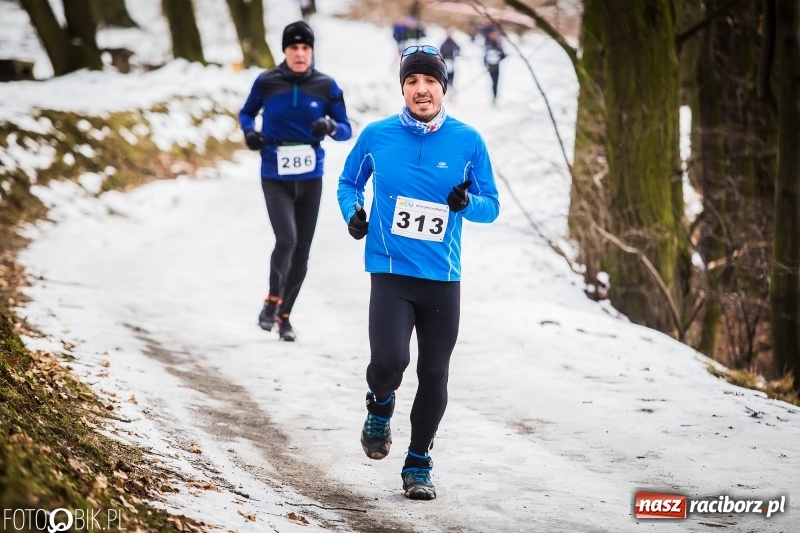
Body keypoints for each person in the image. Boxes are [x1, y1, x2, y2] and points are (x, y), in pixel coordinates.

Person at [337, 45, 500, 500]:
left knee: (435, 375)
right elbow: (349, 181)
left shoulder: (468, 140)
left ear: (443, 88)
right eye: (412, 81)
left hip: (442, 277)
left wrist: (467, 204)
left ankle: (418, 461)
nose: (421, 89)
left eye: (430, 81)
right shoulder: (377, 135)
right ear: (403, 88)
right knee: (388, 363)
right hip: (390, 269)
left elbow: (492, 206)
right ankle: (380, 405)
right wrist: (355, 211)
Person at [239, 21, 352, 341]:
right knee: (286, 239)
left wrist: (329, 126)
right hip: (275, 174)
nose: (300, 53)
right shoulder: (267, 81)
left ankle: (284, 316)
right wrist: (250, 132)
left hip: (310, 176)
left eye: (305, 48)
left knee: (302, 251)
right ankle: (272, 299)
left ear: (312, 51)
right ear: (285, 50)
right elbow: (246, 113)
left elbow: (346, 129)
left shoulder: (326, 85)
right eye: (294, 48)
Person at [483, 30, 506, 103]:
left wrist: (498, 57)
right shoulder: (488, 46)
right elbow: (485, 57)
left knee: (496, 82)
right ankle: (493, 95)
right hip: (490, 67)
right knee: (492, 82)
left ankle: (495, 96)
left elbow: (503, 55)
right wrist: (486, 65)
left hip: (496, 67)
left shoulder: (498, 46)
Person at [439, 28, 461, 95]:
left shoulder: (453, 43)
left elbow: (458, 49)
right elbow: (440, 52)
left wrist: (456, 53)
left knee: (451, 79)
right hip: (445, 62)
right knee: (445, 78)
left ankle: (452, 93)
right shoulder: (443, 43)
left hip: (451, 62)